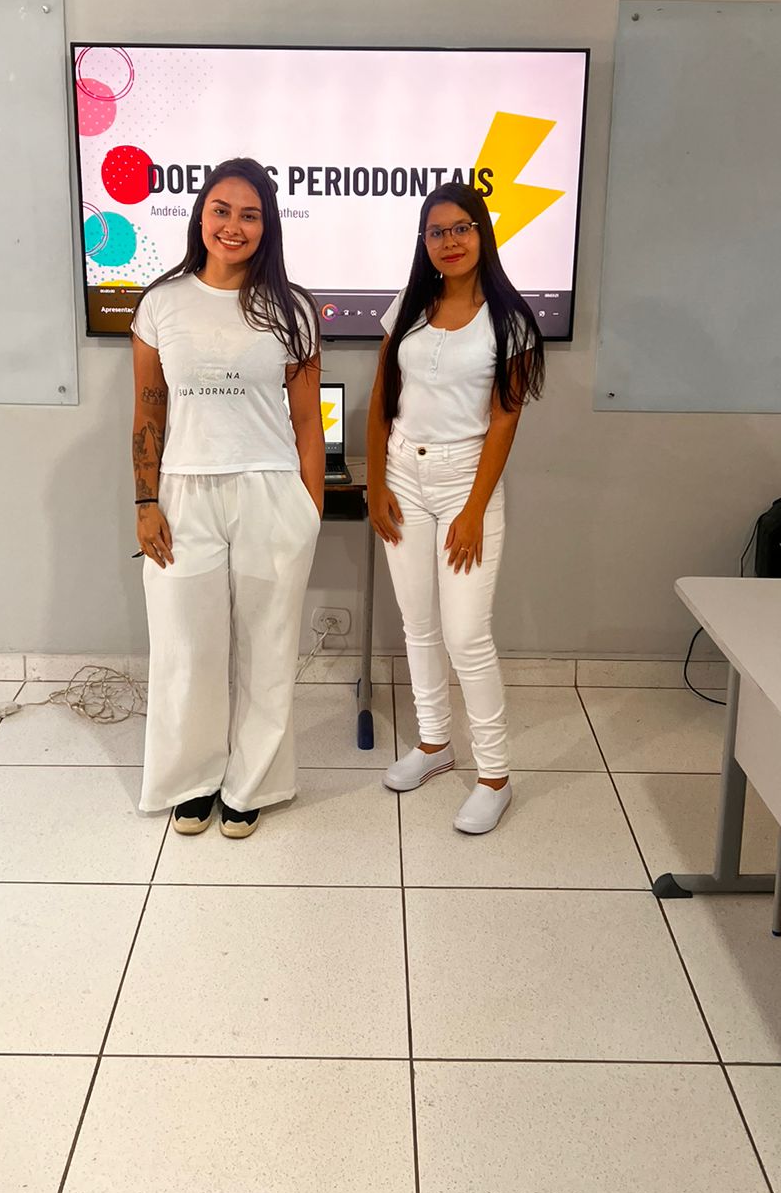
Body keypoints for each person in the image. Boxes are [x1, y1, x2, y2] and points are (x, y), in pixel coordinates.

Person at [130, 158, 323, 839]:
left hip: (271, 491)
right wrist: (145, 503)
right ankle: (192, 781)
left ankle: (252, 784)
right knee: (186, 647)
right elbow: (148, 411)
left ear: (267, 226)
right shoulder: (161, 303)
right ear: (200, 216)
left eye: (249, 214)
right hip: (184, 491)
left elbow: (308, 423)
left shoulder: (292, 309)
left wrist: (310, 510)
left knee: (269, 648)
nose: (233, 226)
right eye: (221, 210)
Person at [366, 182, 545, 834]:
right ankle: (435, 743)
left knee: (466, 635)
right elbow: (382, 395)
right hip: (401, 476)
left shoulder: (510, 318)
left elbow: (505, 419)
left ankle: (495, 776)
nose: (449, 241)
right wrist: (375, 484)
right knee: (418, 623)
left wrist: (474, 509)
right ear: (425, 241)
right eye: (436, 231)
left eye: (461, 228)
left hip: (467, 482)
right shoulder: (409, 305)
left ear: (482, 233)